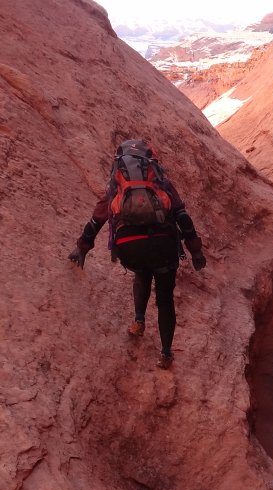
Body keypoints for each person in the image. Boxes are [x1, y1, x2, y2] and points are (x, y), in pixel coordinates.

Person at [68, 138, 206, 370]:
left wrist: (82, 247)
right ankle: (165, 354)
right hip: (164, 247)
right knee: (165, 299)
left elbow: (98, 218)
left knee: (141, 274)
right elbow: (182, 216)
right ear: (150, 162)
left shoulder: (117, 185)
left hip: (130, 248)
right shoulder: (162, 182)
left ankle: (139, 321)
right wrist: (196, 250)